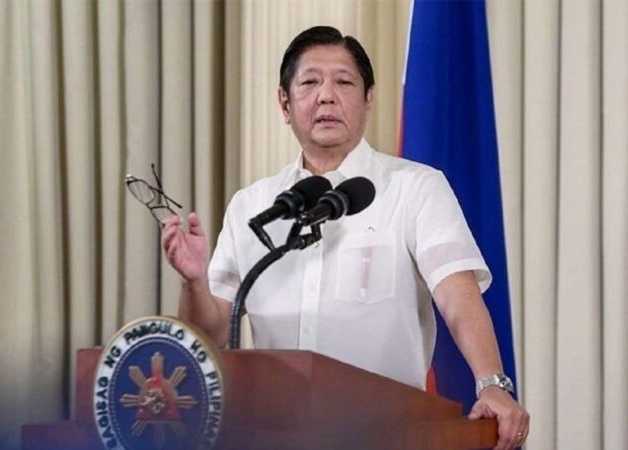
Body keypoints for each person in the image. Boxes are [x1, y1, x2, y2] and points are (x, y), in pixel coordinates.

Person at [162, 26, 529, 450]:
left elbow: (457, 295)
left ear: (369, 98)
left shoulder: (414, 188)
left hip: (388, 435)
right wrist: (193, 282)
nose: (326, 96)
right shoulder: (254, 206)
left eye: (343, 82)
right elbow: (209, 334)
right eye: (309, 82)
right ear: (284, 103)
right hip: (273, 436)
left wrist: (492, 383)